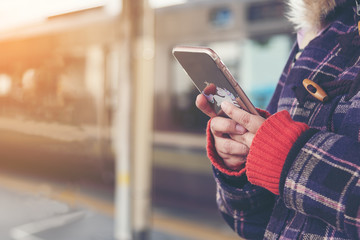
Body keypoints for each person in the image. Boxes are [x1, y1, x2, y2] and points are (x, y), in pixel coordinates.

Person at [195, 0, 360, 239]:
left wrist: (292, 158)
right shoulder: (318, 34)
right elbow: (252, 224)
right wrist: (244, 161)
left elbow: (285, 156)